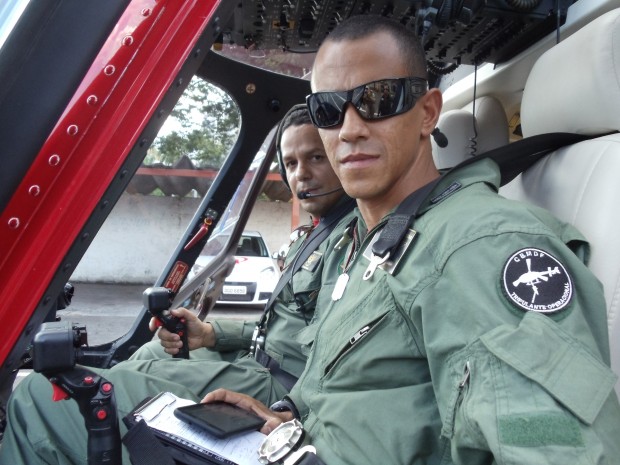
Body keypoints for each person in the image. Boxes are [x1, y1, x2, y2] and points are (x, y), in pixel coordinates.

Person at [204, 14, 620, 465]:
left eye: (378, 100)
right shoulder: (370, 238)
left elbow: (555, 445)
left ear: (427, 113)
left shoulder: (478, 246)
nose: (349, 129)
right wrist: (288, 415)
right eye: (328, 109)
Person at [0, 105, 355, 465]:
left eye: (315, 157)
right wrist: (211, 334)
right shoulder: (313, 235)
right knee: (152, 351)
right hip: (257, 359)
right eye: (291, 163)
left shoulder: (351, 241)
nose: (301, 174)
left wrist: (289, 411)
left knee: (36, 396)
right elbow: (284, 327)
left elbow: (332, 353)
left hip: (279, 384)